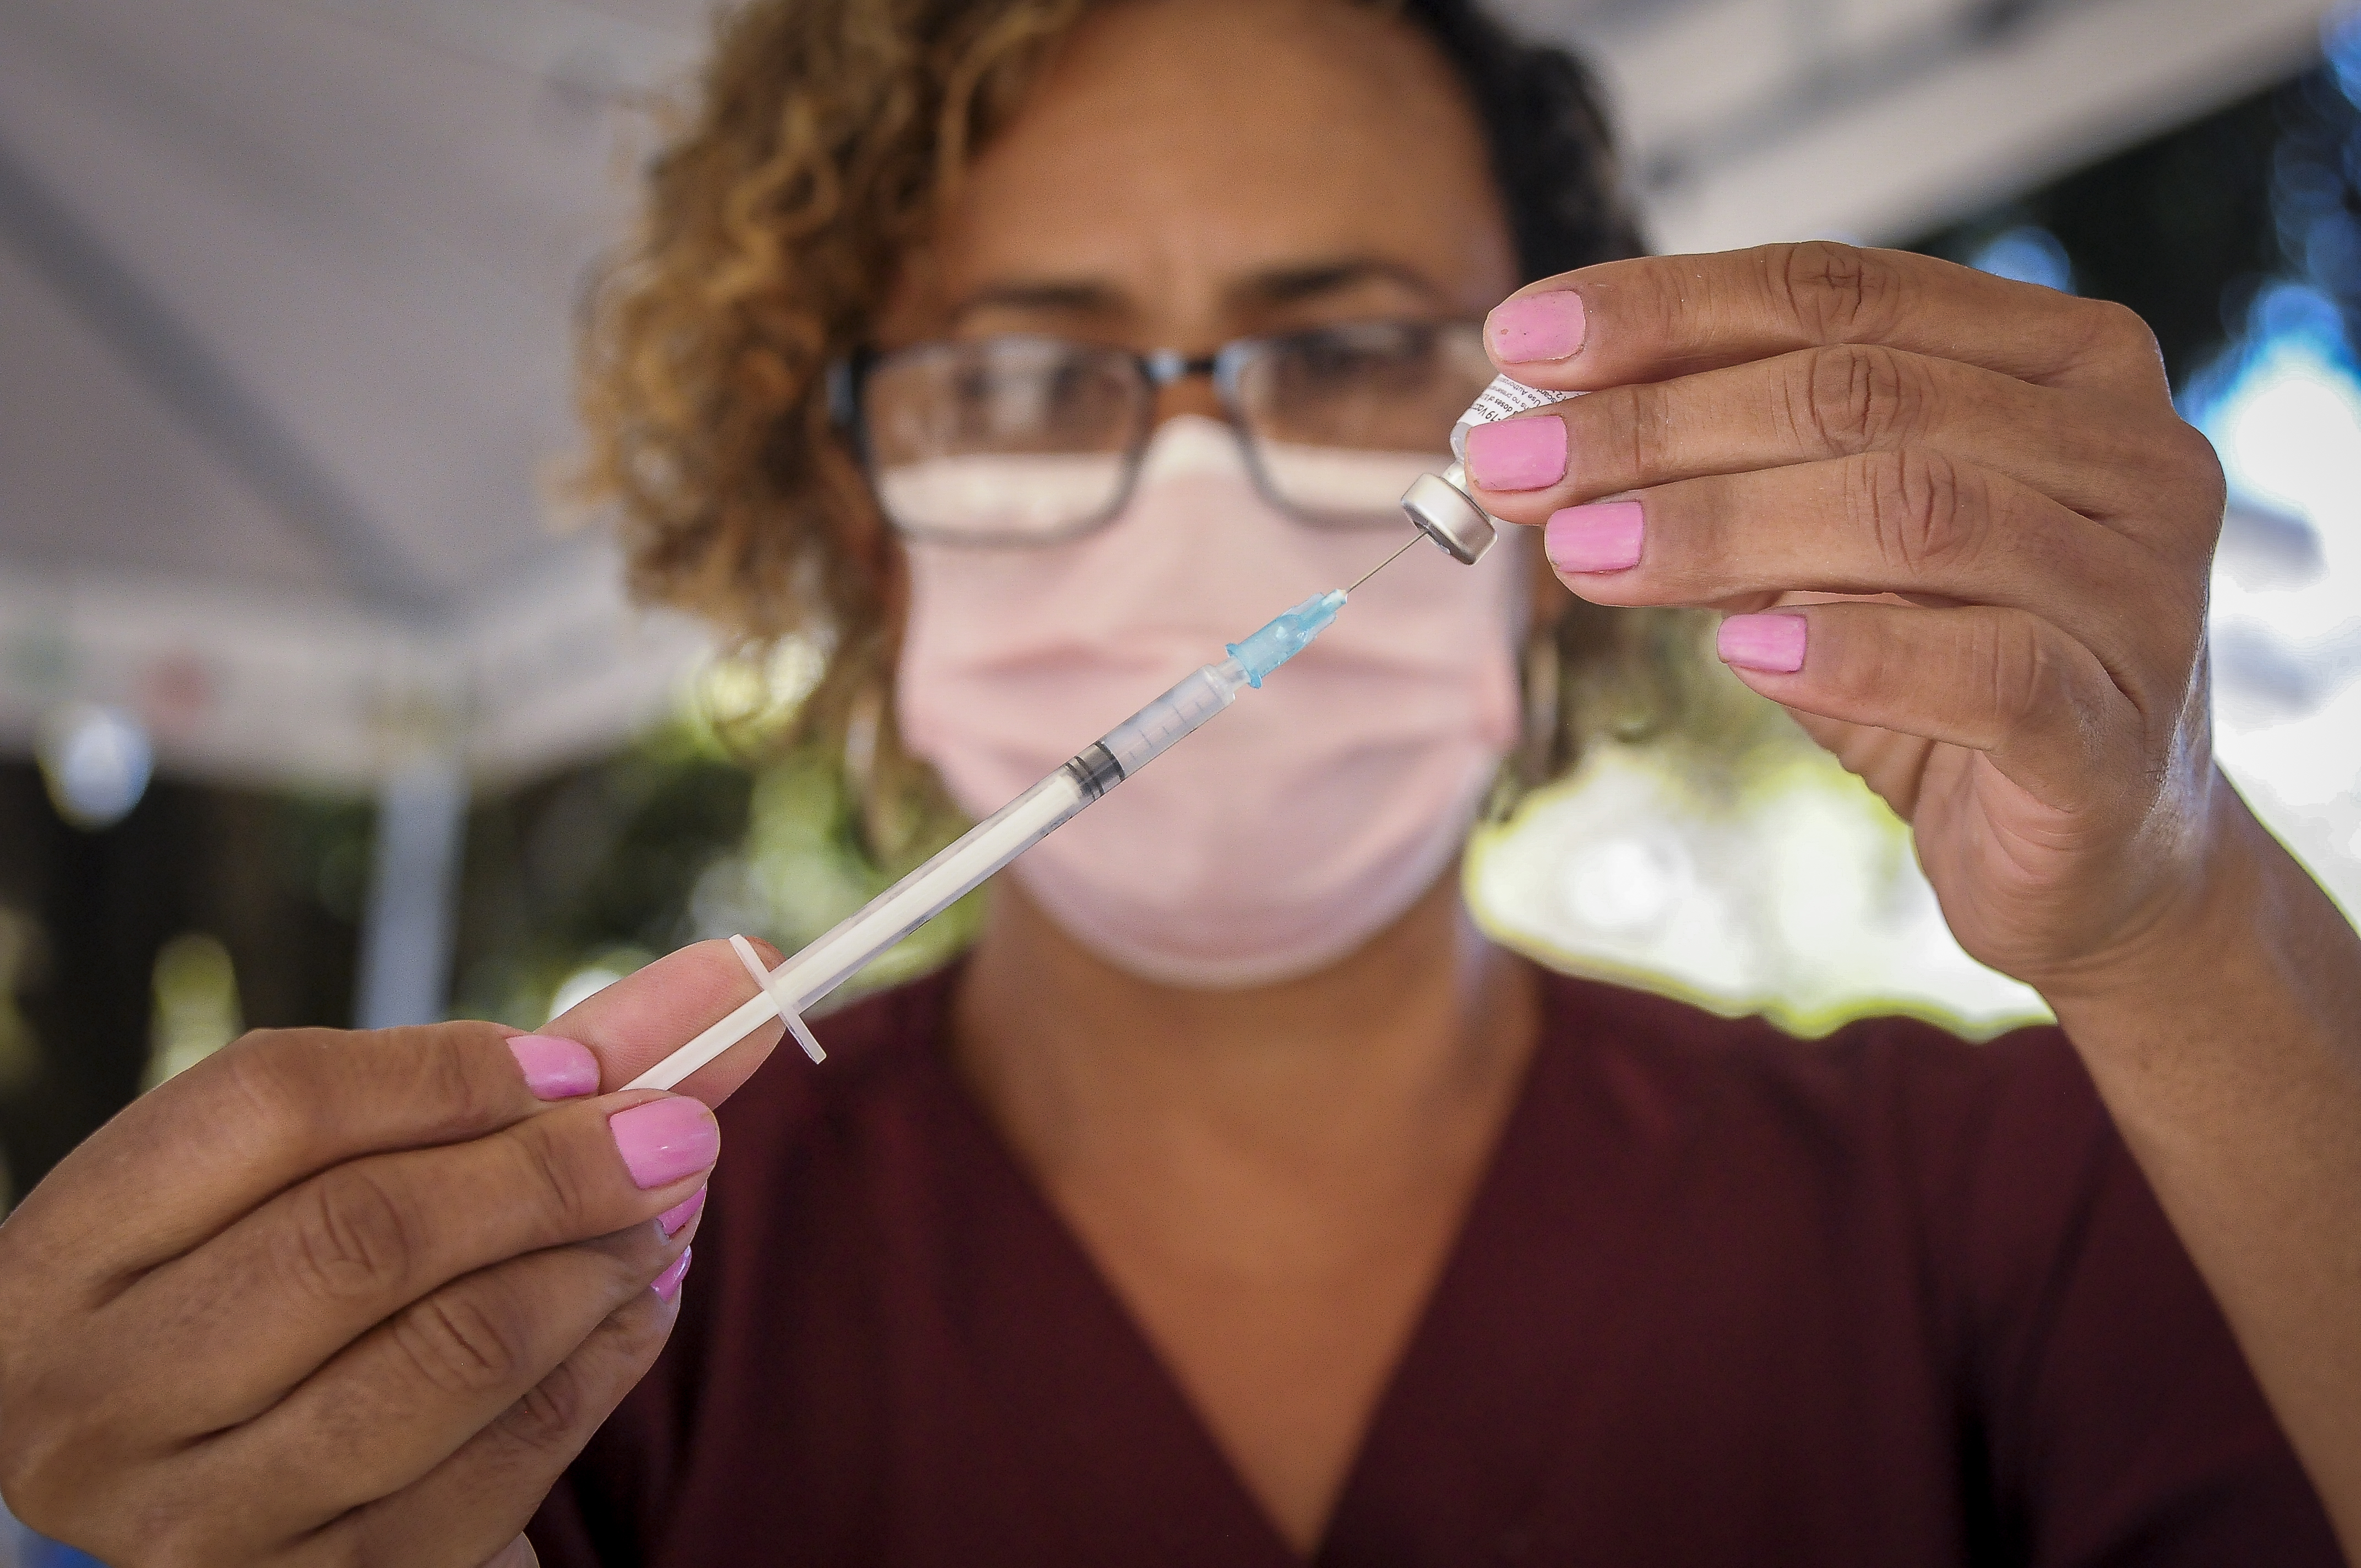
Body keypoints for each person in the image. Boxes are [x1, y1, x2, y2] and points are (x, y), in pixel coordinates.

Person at [3, 0, 2359, 1562]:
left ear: (1558, 500)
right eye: (1033, 382)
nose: (1195, 489)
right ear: (857, 525)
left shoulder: (2030, 1197)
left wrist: (2183, 920)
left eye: (1345, 352)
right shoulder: (580, 1320)